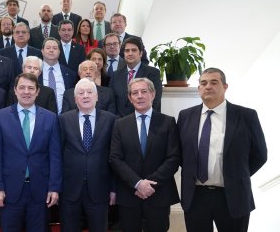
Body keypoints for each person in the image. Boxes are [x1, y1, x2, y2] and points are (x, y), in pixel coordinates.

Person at [177, 67, 267, 232]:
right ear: (199, 88)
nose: (208, 86)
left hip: (232, 196)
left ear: (225, 86)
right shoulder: (185, 116)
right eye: (203, 83)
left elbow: (260, 154)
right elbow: (181, 154)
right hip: (196, 196)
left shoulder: (246, 116)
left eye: (214, 82)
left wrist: (235, 174)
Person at [0, 73, 62, 231]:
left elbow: (55, 156)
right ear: (15, 90)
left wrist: (54, 187)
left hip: (40, 192)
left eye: (30, 88)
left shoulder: (50, 118)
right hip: (9, 191)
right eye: (22, 87)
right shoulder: (0, 117)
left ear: (37, 91)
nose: (26, 92)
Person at [109, 77, 180, 232]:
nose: (139, 96)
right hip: (129, 193)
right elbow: (115, 158)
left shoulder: (167, 122)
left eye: (144, 91)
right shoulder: (120, 124)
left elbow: (173, 158)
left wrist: (150, 183)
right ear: (130, 97)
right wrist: (137, 183)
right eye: (135, 93)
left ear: (153, 94)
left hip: (158, 193)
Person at [59, 78, 117, 232]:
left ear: (97, 96)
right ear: (75, 98)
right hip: (69, 189)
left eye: (89, 92)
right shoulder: (63, 119)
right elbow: (57, 154)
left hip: (100, 189)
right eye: (81, 93)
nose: (85, 96)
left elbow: (115, 158)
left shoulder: (111, 120)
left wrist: (114, 188)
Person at [109, 37, 162, 116]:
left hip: (144, 121)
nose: (130, 53)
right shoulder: (115, 75)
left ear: (140, 53)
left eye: (134, 50)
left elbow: (155, 100)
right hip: (120, 123)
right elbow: (112, 102)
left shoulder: (153, 73)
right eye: (127, 51)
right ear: (123, 54)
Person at [39, 37, 76, 114]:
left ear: (59, 51)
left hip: (64, 117)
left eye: (55, 48)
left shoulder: (70, 74)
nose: (51, 50)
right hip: (41, 116)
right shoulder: (36, 72)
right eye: (48, 48)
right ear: (42, 51)